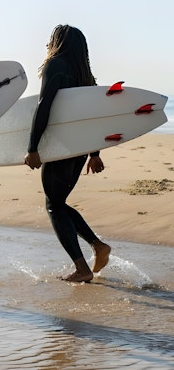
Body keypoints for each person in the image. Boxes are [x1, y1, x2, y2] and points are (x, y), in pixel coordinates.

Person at [24, 24, 111, 283]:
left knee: (53, 205)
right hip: (80, 148)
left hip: (62, 145)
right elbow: (90, 115)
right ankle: (97, 247)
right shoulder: (85, 74)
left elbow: (44, 107)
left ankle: (83, 267)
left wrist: (32, 147)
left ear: (57, 43)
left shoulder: (55, 66)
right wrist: (94, 152)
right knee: (58, 203)